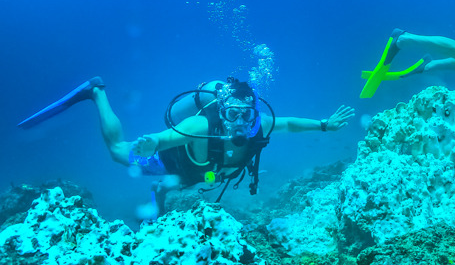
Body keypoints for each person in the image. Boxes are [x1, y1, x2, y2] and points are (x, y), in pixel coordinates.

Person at [18, 76, 355, 215]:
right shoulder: (200, 124)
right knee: (118, 152)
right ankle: (96, 92)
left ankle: (159, 201)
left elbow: (290, 124)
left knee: (173, 188)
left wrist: (325, 125)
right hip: (173, 162)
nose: (240, 122)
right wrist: (152, 142)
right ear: (223, 112)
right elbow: (167, 137)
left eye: (246, 114)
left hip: (204, 175)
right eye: (233, 114)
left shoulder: (258, 124)